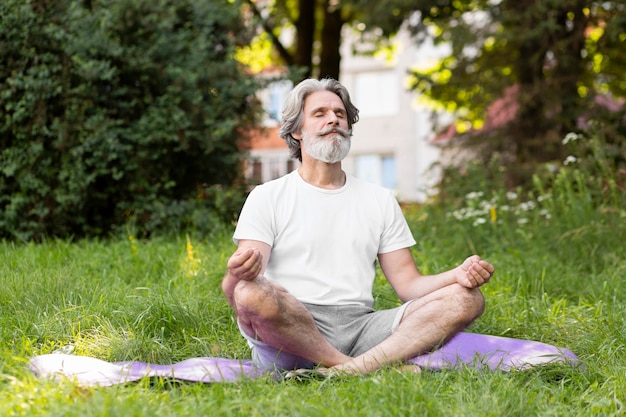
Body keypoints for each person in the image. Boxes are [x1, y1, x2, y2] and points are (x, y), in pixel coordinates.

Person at [222, 78, 494, 376]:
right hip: (292, 331)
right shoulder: (267, 197)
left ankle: (349, 370)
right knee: (250, 292)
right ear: (297, 131)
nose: (333, 120)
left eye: (340, 114)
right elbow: (239, 292)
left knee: (465, 298)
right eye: (320, 113)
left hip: (363, 328)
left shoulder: (379, 199)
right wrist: (237, 275)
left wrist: (456, 275)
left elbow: (408, 286)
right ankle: (359, 368)